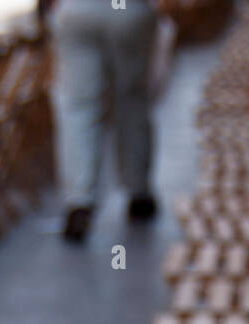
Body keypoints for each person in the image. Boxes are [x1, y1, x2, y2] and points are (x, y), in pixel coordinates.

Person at [48, 0, 159, 242]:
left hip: (77, 9)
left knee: (79, 107)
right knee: (132, 101)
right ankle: (138, 191)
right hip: (130, 10)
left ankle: (80, 199)